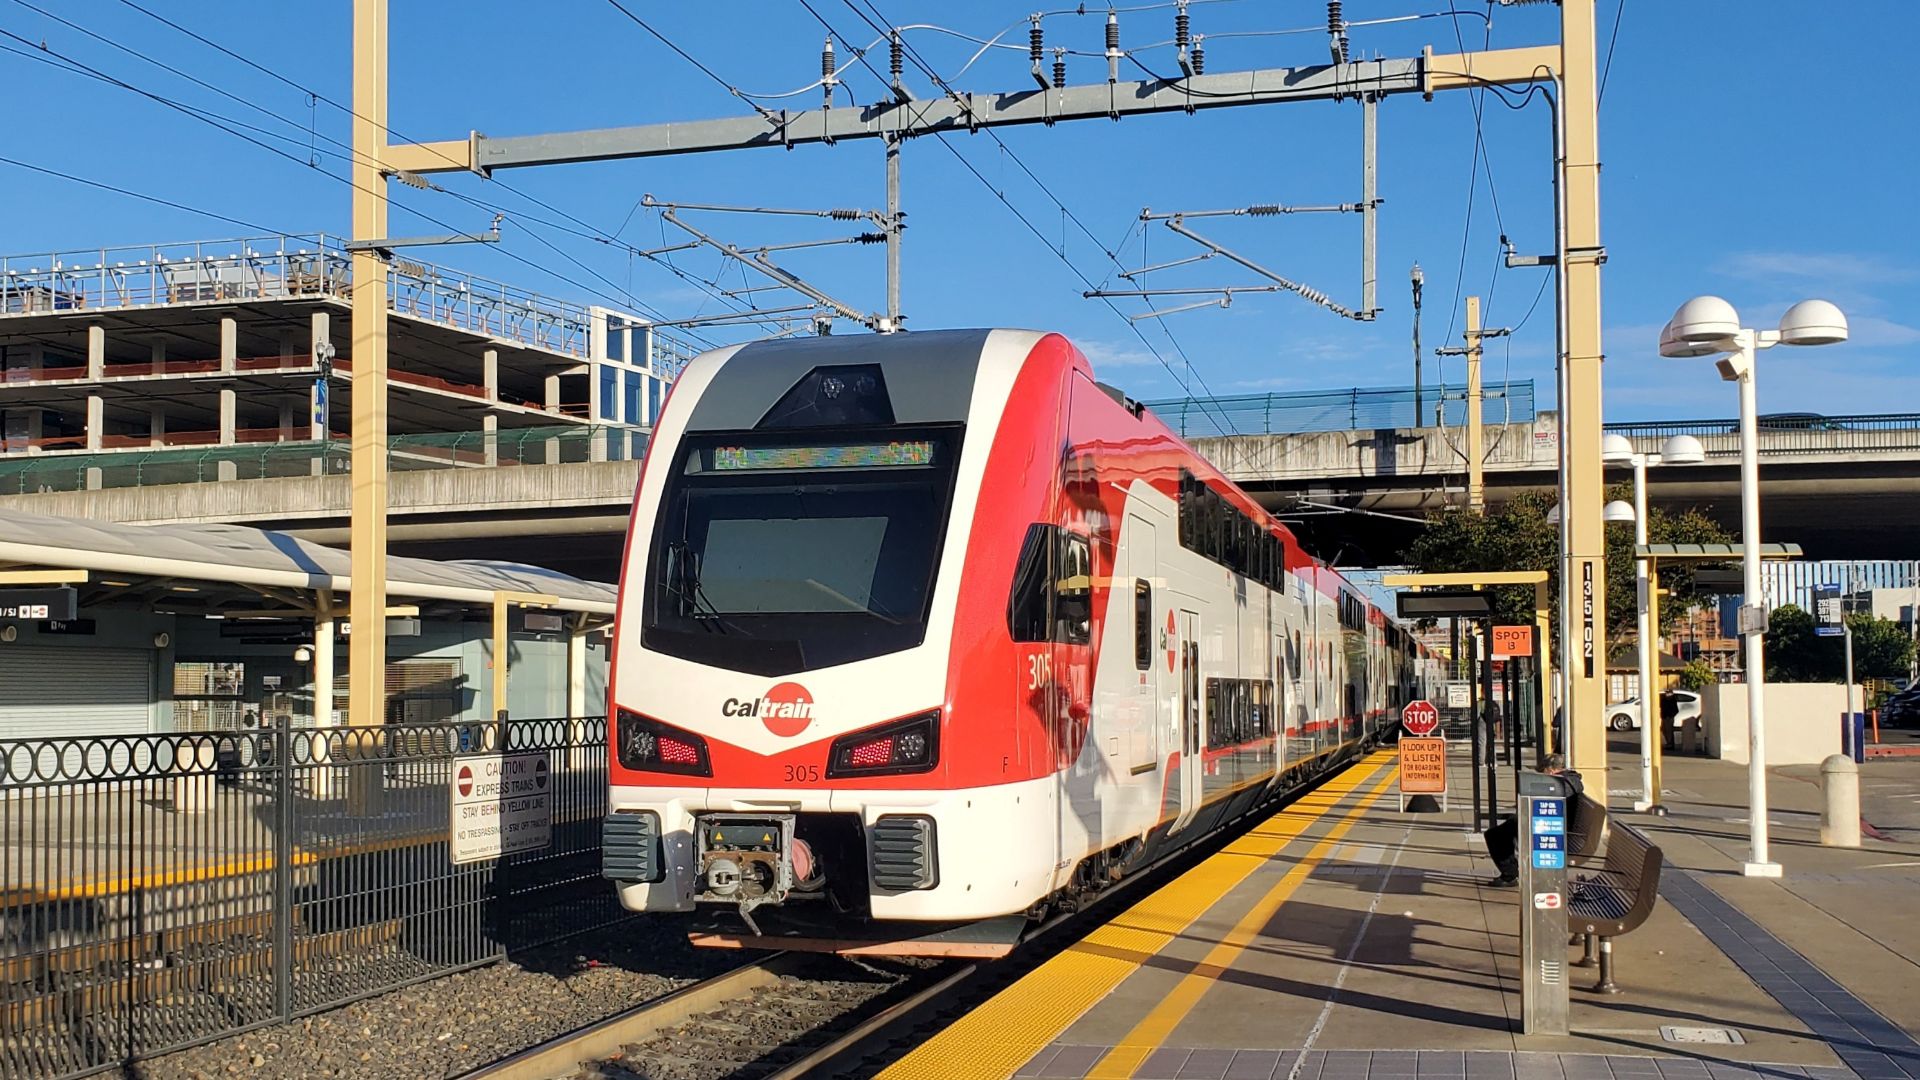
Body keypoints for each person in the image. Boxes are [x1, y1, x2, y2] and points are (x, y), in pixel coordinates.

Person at [1483, 753, 1584, 888]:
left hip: (1554, 829)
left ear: (1550, 770)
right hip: (1556, 826)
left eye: (1543, 772)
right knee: (1505, 829)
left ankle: (1510, 874)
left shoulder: (1561, 784)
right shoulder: (1569, 781)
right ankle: (1510, 873)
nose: (1542, 776)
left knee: (1495, 835)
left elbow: (1548, 805)